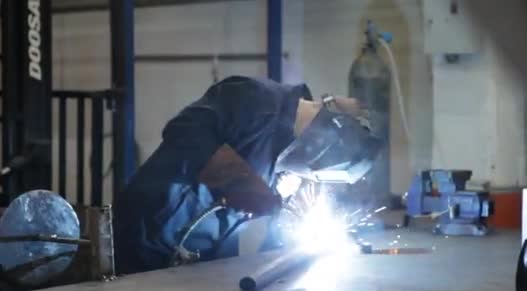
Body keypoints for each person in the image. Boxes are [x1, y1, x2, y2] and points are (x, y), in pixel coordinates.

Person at [113, 76, 374, 274]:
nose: (312, 175)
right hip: (145, 235)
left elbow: (266, 224)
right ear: (324, 138)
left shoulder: (286, 158)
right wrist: (246, 188)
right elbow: (184, 131)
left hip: (200, 260)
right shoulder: (253, 97)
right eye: (317, 169)